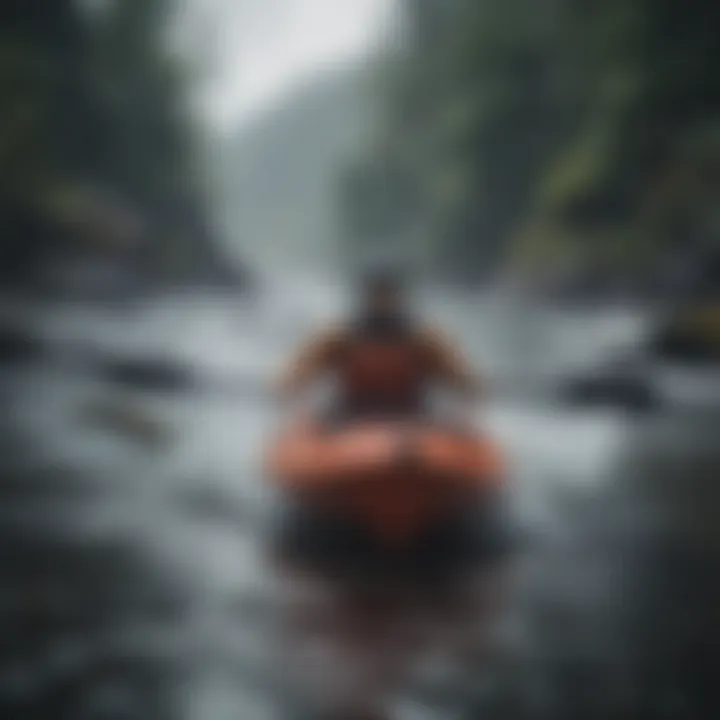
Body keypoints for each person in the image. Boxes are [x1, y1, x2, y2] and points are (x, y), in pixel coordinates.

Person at [275, 269, 481, 421]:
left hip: (410, 417)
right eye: (378, 294)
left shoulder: (423, 339)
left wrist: (469, 385)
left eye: (387, 295)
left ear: (399, 299)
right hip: (352, 416)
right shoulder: (340, 336)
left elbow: (458, 374)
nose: (383, 301)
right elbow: (301, 370)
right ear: (366, 298)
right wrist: (288, 386)